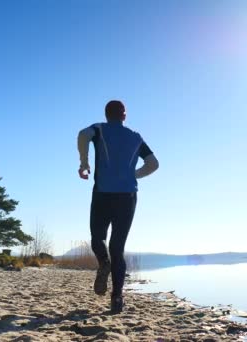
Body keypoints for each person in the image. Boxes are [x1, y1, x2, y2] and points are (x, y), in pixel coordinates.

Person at [77, 100, 159, 313]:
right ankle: (117, 298)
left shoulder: (99, 129)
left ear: (106, 115)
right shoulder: (135, 137)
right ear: (124, 116)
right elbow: (154, 164)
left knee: (97, 239)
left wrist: (84, 163)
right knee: (118, 247)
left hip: (103, 193)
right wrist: (134, 174)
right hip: (127, 196)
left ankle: (103, 263)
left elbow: (82, 135)